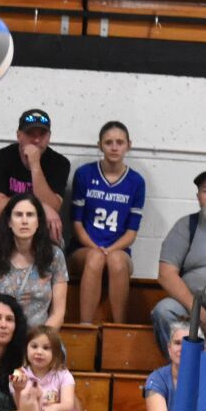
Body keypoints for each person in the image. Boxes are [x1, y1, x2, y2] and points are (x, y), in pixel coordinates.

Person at [150, 167, 206, 351]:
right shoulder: (186, 226)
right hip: (193, 308)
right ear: (198, 198)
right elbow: (166, 274)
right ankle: (182, 364)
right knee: (164, 310)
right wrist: (200, 314)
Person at [70, 121, 146, 324]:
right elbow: (76, 224)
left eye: (119, 142)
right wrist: (97, 249)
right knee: (95, 258)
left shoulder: (136, 182)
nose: (114, 147)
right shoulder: (84, 174)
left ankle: (118, 328)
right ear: (99, 145)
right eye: (108, 142)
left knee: (116, 260)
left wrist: (109, 250)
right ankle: (86, 328)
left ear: (128, 145)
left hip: (118, 251)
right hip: (84, 249)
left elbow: (131, 233)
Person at [0, 193, 69, 330]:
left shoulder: (54, 256)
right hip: (2, 334)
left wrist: (39, 339)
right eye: (19, 215)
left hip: (40, 337)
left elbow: (58, 314)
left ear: (38, 222)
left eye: (30, 215)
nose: (24, 221)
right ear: (9, 222)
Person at [0, 108, 70, 236]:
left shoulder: (60, 163)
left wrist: (35, 165)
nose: (36, 140)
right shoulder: (1, 157)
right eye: (30, 134)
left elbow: (53, 207)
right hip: (5, 225)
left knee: (53, 228)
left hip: (39, 228)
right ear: (19, 136)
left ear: (49, 137)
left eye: (42, 134)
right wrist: (41, 206)